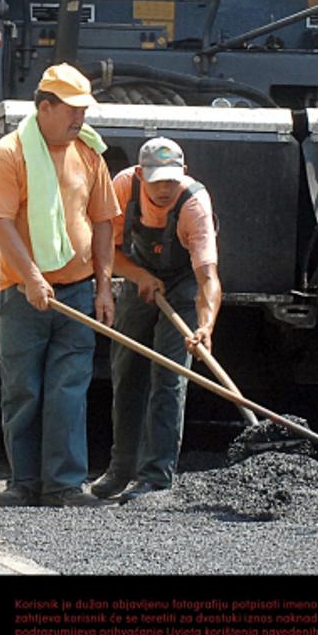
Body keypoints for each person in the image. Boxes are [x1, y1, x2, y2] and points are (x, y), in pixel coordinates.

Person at [0, 63, 120, 507]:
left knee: (69, 389)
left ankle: (63, 484)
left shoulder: (90, 155)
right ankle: (23, 482)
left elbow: (102, 223)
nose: (81, 118)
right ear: (45, 108)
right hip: (22, 293)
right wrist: (33, 278)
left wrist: (103, 287)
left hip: (77, 290)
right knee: (25, 388)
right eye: (72, 110)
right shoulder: (9, 154)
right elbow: (1, 225)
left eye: (84, 110)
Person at [90, 137, 221, 503]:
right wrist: (140, 277)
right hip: (138, 273)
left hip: (182, 283)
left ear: (184, 173)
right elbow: (107, 250)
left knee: (168, 377)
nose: (163, 189)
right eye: (156, 180)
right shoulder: (123, 187)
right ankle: (121, 470)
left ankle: (155, 477)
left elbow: (208, 277)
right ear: (140, 174)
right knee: (126, 368)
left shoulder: (193, 204)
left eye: (170, 180)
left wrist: (204, 327)